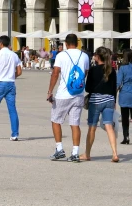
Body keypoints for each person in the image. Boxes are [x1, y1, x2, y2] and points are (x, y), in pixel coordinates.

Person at [47, 33, 89, 163]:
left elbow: (55, 73)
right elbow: (85, 73)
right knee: (75, 123)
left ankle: (59, 149)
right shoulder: (84, 56)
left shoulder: (61, 55)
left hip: (63, 94)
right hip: (78, 94)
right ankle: (75, 152)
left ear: (65, 43)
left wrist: (50, 91)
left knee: (56, 120)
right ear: (77, 43)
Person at [80, 47, 118, 162]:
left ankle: (87, 154)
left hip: (96, 100)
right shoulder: (112, 70)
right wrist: (114, 102)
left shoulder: (93, 70)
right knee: (109, 127)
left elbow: (88, 88)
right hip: (109, 100)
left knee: (92, 128)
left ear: (97, 57)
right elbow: (114, 88)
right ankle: (115, 153)